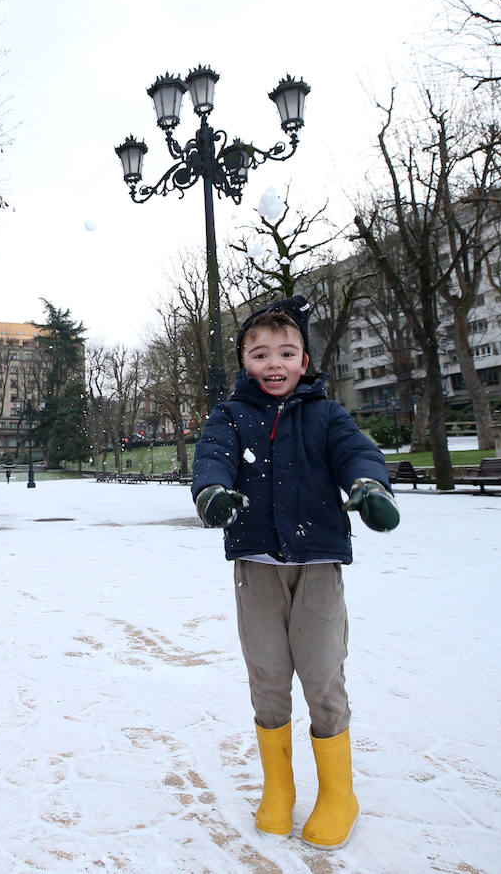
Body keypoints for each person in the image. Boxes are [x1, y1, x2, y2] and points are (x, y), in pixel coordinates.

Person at [190, 296, 399, 850]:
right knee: (267, 677)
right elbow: (213, 456)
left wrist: (369, 486)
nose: (274, 363)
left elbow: (358, 452)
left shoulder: (327, 415)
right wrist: (211, 491)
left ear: (305, 361)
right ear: (245, 363)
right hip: (256, 566)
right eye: (260, 354)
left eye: (286, 352)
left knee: (322, 674)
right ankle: (278, 786)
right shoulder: (230, 416)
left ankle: (338, 793)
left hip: (318, 565)